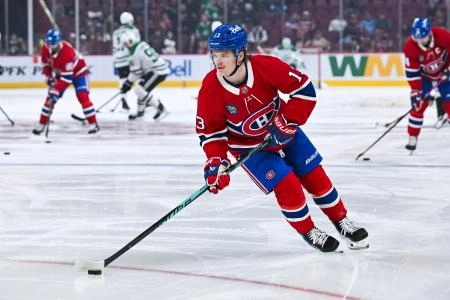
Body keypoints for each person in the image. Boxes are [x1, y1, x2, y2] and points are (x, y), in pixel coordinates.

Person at [196, 24, 369, 253]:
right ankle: (309, 231)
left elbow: (305, 90)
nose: (218, 61)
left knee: (315, 176)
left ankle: (341, 221)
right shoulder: (210, 87)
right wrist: (217, 163)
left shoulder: (266, 66)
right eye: (215, 54)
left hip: (286, 131)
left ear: (240, 54)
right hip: (250, 148)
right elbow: (211, 132)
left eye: (224, 55)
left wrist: (286, 121)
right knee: (287, 184)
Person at [32, 28, 100, 137]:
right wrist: (49, 77)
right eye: (48, 43)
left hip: (79, 73)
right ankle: (41, 124)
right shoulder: (44, 49)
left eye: (53, 44)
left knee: (82, 96)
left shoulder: (67, 52)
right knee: (49, 100)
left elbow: (67, 79)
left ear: (58, 42)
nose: (50, 46)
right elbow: (46, 65)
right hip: (61, 74)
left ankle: (93, 124)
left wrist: (56, 89)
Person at [403, 17, 450, 151]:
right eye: (417, 37)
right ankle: (413, 136)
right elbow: (412, 73)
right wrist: (415, 92)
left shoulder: (443, 35)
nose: (420, 40)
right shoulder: (410, 47)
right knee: (418, 107)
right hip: (425, 78)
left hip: (444, 74)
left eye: (422, 37)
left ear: (429, 32)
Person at [120, 31, 169, 120]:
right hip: (156, 69)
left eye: (126, 43)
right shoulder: (141, 45)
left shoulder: (134, 53)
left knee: (139, 89)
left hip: (157, 71)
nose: (125, 46)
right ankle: (140, 113)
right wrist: (129, 83)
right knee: (141, 88)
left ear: (131, 41)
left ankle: (160, 108)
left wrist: (127, 83)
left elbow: (136, 72)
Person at [112, 12, 141, 111]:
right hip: (130, 59)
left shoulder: (115, 32)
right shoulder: (133, 30)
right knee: (138, 78)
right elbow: (137, 45)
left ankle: (123, 100)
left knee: (122, 80)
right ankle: (143, 99)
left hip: (119, 59)